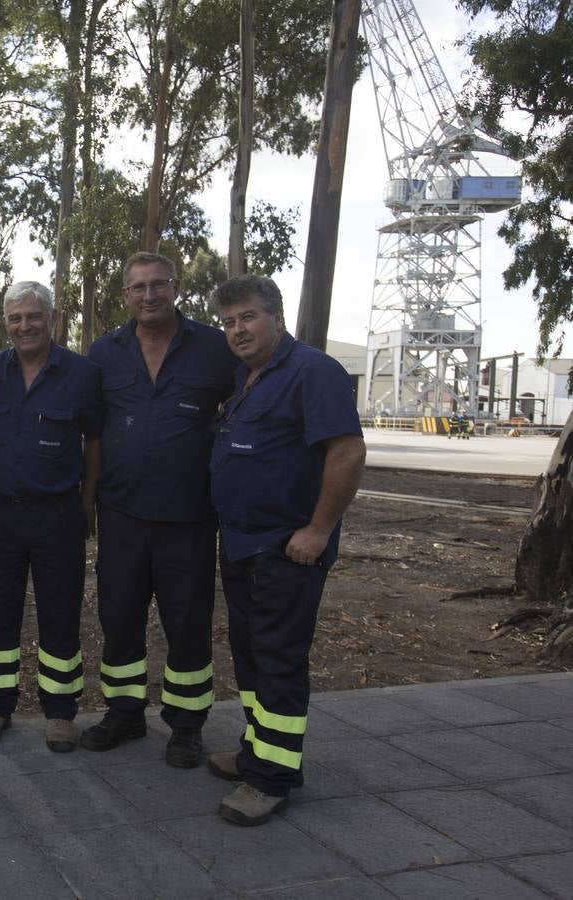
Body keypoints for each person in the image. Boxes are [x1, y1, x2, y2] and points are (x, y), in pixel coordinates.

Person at [208, 274, 366, 826]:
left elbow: (346, 452)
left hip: (287, 550)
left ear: (277, 317)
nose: (237, 330)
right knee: (251, 654)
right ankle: (259, 752)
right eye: (228, 322)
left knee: (277, 659)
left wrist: (319, 530)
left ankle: (272, 778)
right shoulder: (248, 377)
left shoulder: (312, 372)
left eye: (247, 317)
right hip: (243, 545)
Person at [84, 251, 237, 767]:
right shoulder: (104, 352)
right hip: (122, 514)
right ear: (125, 295)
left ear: (175, 288)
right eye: (138, 287)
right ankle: (124, 712)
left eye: (158, 285)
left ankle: (187, 724)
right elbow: (91, 430)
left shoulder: (214, 349)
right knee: (119, 617)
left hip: (189, 517)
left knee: (187, 622)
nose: (149, 295)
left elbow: (256, 390)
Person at [0, 281, 102, 753]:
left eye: (33, 316)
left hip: (58, 514)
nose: (24, 325)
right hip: (1, 514)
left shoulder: (81, 374)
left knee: (60, 612)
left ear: (52, 319)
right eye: (15, 317)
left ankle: (61, 712)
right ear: (5, 322)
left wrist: (88, 503)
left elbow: (95, 442)